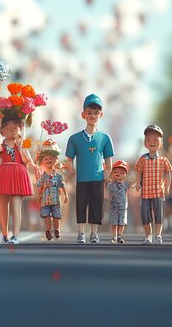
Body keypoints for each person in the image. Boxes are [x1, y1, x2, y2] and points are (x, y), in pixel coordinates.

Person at [65, 94, 114, 244]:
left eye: (96, 113)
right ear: (83, 114)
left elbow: (108, 160)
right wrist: (70, 168)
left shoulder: (105, 138)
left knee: (96, 205)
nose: (92, 116)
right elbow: (69, 159)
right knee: (81, 204)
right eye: (89, 112)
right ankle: (81, 232)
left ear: (101, 115)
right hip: (82, 178)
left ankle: (94, 233)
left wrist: (108, 173)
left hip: (98, 177)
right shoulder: (75, 139)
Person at [0, 113, 36, 245]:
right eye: (7, 127)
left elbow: (26, 160)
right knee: (3, 207)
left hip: (18, 174)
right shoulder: (1, 145)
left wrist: (23, 149)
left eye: (15, 126)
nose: (12, 129)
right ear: (2, 130)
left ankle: (15, 235)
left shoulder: (21, 145)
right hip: (4, 174)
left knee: (16, 206)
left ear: (20, 128)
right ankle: (4, 234)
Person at [135, 124, 172, 245]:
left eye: (156, 139)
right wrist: (138, 183)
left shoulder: (163, 160)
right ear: (145, 143)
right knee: (145, 213)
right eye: (149, 140)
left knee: (158, 213)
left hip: (158, 190)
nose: (152, 142)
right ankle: (148, 235)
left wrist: (167, 186)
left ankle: (158, 235)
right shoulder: (143, 159)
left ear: (161, 143)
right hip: (146, 190)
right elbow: (138, 171)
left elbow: (167, 173)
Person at [36, 139, 68, 241]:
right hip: (45, 200)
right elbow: (38, 186)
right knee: (46, 216)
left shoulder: (58, 174)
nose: (49, 160)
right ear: (42, 161)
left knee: (56, 215)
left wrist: (66, 195)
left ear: (56, 160)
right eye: (46, 159)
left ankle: (57, 229)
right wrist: (39, 193)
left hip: (55, 199)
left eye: (51, 158)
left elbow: (62, 185)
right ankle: (48, 230)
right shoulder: (43, 175)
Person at [107, 160, 132, 244]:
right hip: (113, 207)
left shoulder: (126, 184)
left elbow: (133, 185)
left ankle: (119, 235)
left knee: (121, 222)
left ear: (125, 174)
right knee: (114, 222)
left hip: (123, 207)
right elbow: (107, 188)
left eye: (122, 172)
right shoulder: (110, 183)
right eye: (116, 172)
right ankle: (114, 236)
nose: (118, 174)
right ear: (112, 173)